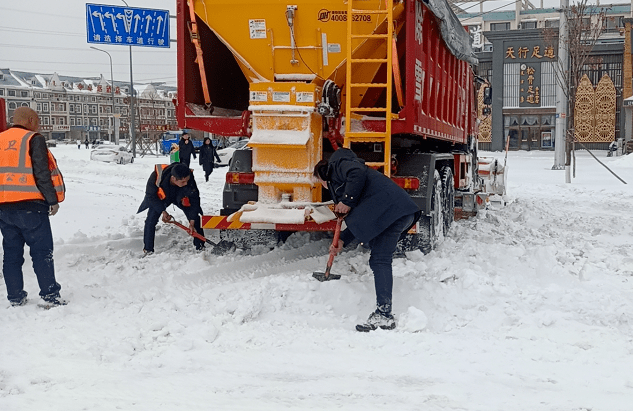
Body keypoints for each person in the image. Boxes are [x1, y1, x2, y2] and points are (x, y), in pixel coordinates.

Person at [313, 148, 420, 332]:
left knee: (380, 260)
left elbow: (357, 173)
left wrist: (346, 201)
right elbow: (362, 218)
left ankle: (384, 315)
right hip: (393, 213)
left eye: (318, 182)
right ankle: (383, 312)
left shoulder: (338, 166)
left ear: (321, 176)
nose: (321, 186)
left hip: (393, 213)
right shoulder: (344, 183)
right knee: (379, 258)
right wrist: (343, 241)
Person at [0, 107, 67, 307]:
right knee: (41, 252)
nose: (38, 125)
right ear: (30, 120)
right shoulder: (33, 139)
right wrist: (52, 200)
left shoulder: (0, 139)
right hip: (31, 207)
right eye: (37, 121)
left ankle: (15, 296)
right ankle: (50, 295)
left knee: (11, 254)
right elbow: (42, 172)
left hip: (4, 208)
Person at [137, 163, 205, 254]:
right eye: (183, 182)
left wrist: (191, 221)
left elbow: (195, 198)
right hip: (163, 197)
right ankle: (148, 249)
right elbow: (151, 196)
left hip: (179, 196)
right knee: (151, 219)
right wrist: (163, 211)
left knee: (195, 217)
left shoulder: (188, 176)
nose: (186, 184)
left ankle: (200, 246)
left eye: (187, 181)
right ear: (173, 178)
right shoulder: (156, 176)